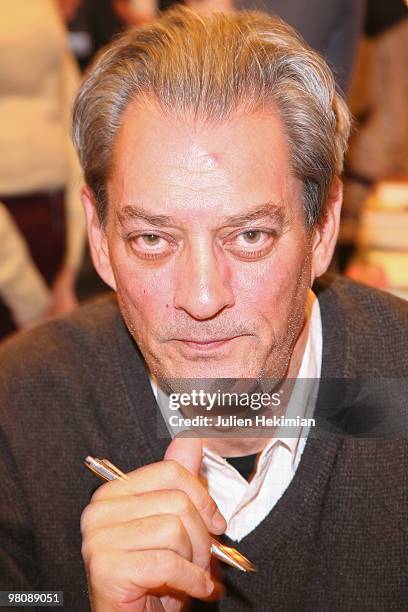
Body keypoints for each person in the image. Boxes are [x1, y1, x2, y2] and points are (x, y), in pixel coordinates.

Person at [0, 8, 407, 611]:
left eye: (249, 237)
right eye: (152, 240)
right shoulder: (21, 405)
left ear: (324, 228)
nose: (201, 297)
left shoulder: (393, 389)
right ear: (98, 236)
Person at [0, 0, 85, 339]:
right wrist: (30, 299)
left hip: (56, 226)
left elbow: (75, 123)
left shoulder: (43, 13)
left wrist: (74, 267)